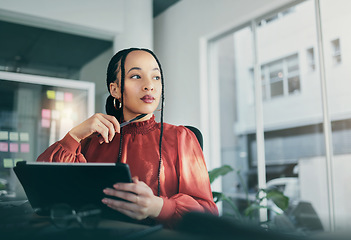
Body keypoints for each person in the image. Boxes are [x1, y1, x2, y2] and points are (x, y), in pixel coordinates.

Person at [36, 48, 219, 228]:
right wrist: (73, 136)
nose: (149, 85)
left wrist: (159, 207)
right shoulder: (92, 139)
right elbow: (43, 189)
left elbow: (208, 213)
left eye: (156, 77)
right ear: (114, 89)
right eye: (136, 76)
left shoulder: (181, 137)